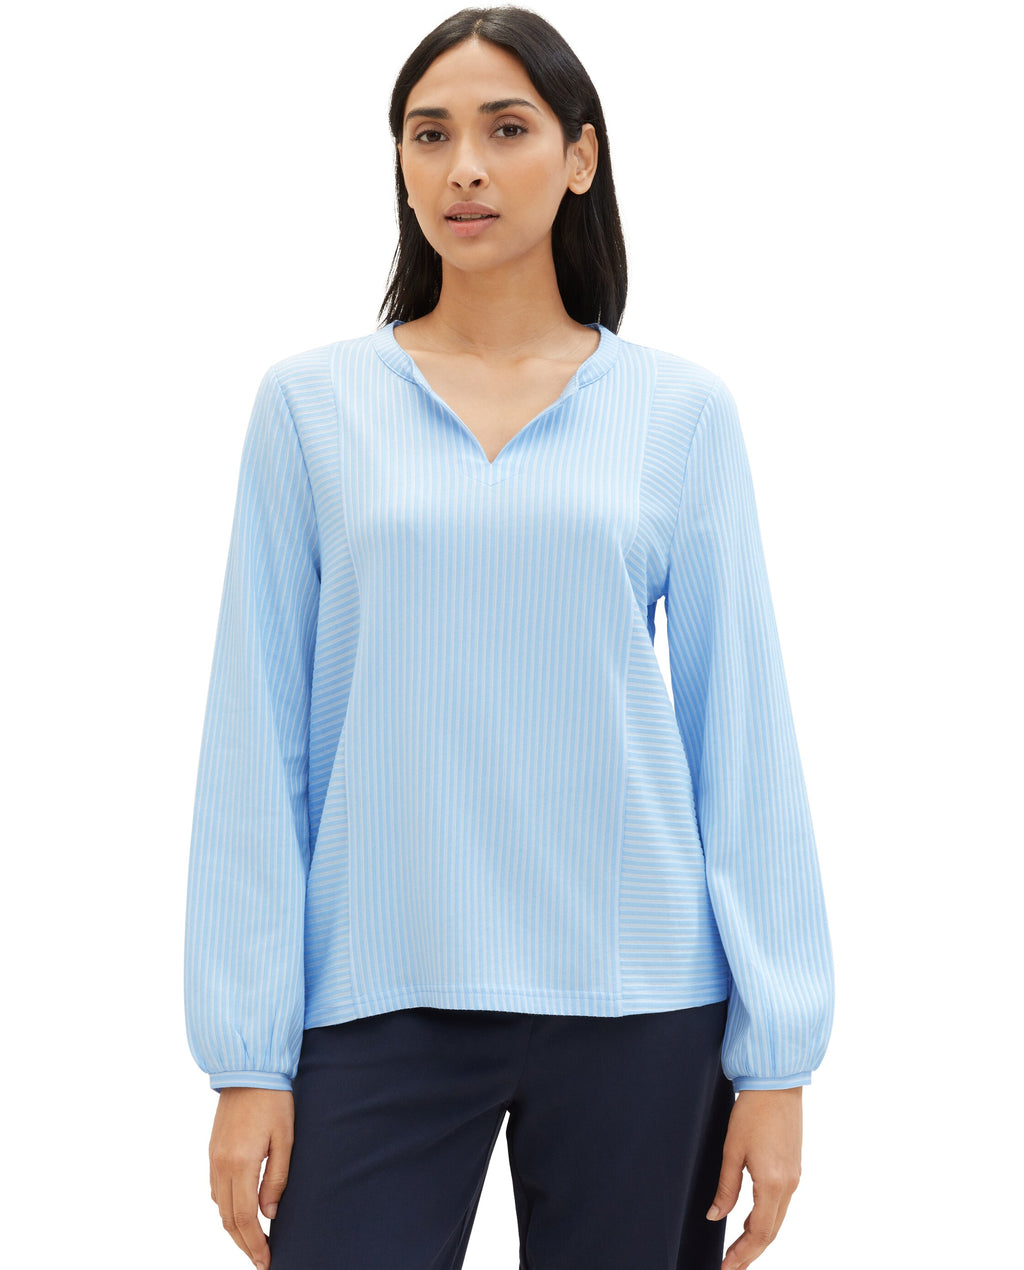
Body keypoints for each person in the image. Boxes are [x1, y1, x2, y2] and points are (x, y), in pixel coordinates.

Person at [183, 7, 835, 1270]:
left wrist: (776, 1063)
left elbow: (741, 737)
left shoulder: (679, 414)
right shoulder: (309, 409)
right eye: (429, 136)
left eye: (505, 129)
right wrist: (246, 1056)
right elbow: (254, 744)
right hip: (377, 991)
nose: (463, 168)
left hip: (643, 998)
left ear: (580, 156)